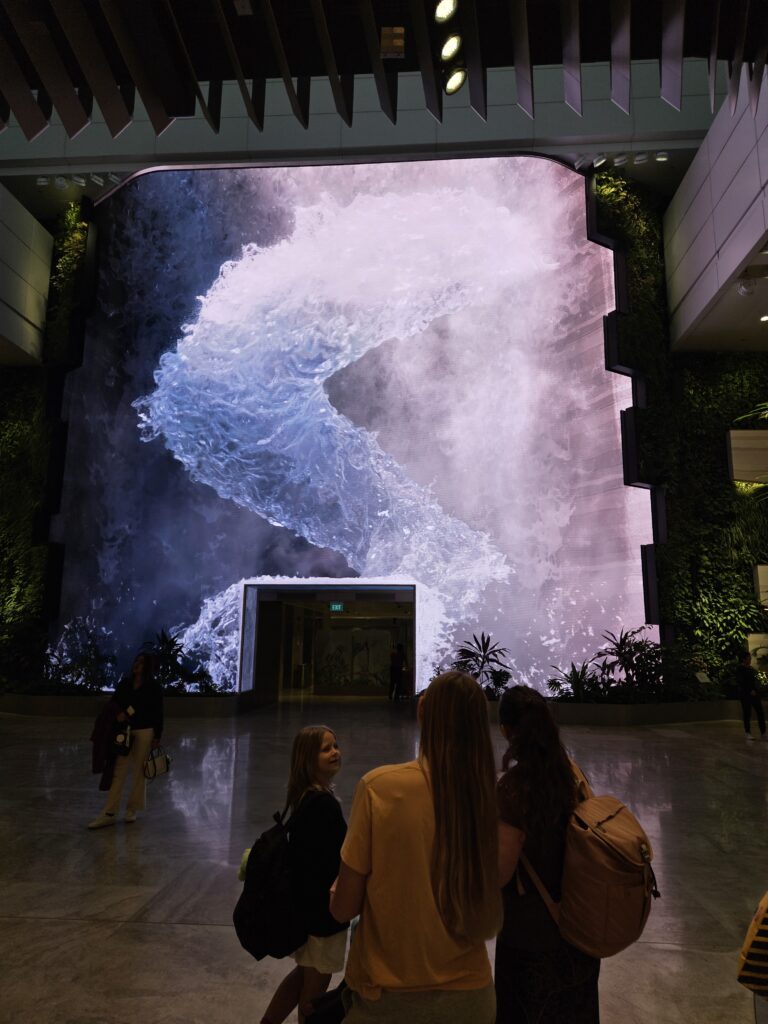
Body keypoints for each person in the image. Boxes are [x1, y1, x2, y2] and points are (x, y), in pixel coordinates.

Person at [330, 671, 500, 1023]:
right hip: (474, 1000)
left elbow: (343, 908)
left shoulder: (379, 787)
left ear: (423, 710)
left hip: (392, 999)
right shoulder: (487, 796)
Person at [495, 685, 600, 1024]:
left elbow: (500, 872)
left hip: (530, 937)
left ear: (506, 730)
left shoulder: (513, 789)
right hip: (578, 928)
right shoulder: (573, 776)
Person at [261, 725, 348, 1024]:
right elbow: (332, 859)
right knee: (314, 993)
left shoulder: (306, 797)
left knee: (303, 974)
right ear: (308, 759)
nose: (335, 752)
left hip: (307, 909)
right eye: (326, 749)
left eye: (335, 745)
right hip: (323, 913)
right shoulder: (322, 804)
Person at [88, 652, 164, 829]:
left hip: (145, 731)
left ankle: (132, 809)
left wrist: (157, 736)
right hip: (125, 731)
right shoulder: (125, 684)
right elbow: (114, 703)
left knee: (139, 772)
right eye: (137, 660)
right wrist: (118, 714)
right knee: (118, 771)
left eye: (141, 662)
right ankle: (109, 812)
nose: (137, 664)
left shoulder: (153, 687)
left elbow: (158, 712)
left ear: (147, 667)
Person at [735, 651, 766, 742]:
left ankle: (763, 733)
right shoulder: (740, 668)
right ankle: (748, 732)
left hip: (754, 694)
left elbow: (754, 681)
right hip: (745, 694)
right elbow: (741, 682)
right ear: (744, 659)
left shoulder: (751, 668)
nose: (750, 659)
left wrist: (756, 690)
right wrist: (749, 690)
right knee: (747, 713)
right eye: (749, 658)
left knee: (760, 712)